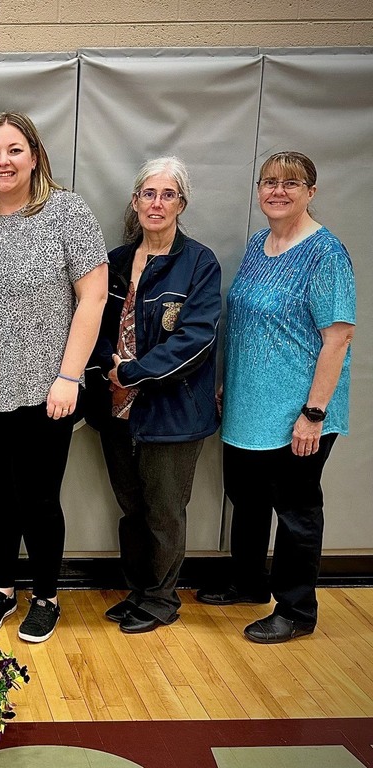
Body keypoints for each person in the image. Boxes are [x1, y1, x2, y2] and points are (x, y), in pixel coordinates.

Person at [0, 111, 107, 643]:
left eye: (14, 150)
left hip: (46, 390)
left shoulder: (68, 214)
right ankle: (1, 588)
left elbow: (94, 297)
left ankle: (46, 595)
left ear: (34, 156)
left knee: (38, 497)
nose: (3, 161)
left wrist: (70, 376)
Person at [197, 151, 355, 644]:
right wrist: (229, 381)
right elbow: (244, 320)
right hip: (247, 406)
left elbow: (338, 337)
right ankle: (249, 583)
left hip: (298, 413)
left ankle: (296, 609)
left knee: (296, 512)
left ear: (311, 191)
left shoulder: (326, 252)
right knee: (246, 500)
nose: (277, 191)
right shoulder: (257, 244)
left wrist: (314, 413)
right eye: (268, 182)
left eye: (291, 183)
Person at [84, 157, 221, 634]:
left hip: (172, 411)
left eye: (167, 195)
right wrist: (108, 366)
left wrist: (135, 372)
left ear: (181, 203)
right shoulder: (117, 262)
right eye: (148, 194)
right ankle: (138, 590)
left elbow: (197, 338)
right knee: (132, 507)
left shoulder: (199, 263)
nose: (156, 204)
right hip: (116, 408)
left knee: (164, 510)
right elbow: (90, 322)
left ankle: (161, 600)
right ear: (135, 201)